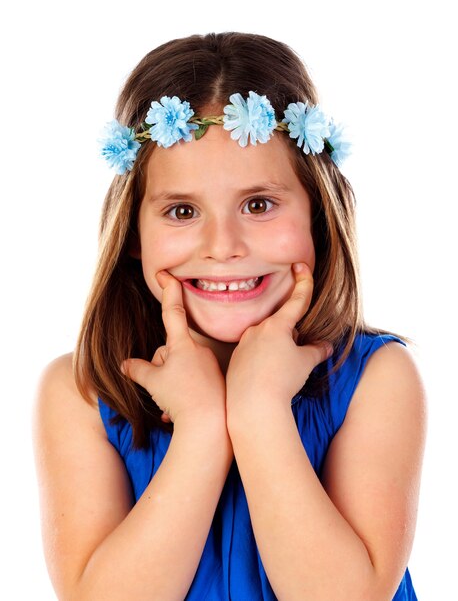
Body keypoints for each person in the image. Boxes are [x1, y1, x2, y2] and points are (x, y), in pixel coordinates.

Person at [32, 32, 427, 600]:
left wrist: (258, 408)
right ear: (134, 235)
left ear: (317, 213)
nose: (224, 246)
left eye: (259, 205)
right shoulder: (81, 394)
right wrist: (200, 431)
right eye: (182, 210)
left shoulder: (378, 379)